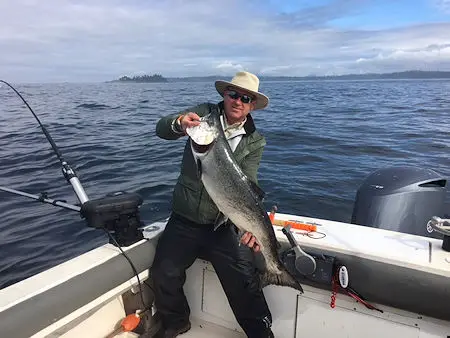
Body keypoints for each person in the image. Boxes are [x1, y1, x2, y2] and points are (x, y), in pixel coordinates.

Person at [151, 71, 273, 338]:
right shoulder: (204, 115)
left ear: (252, 105)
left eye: (246, 98)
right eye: (233, 94)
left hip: (224, 225)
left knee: (245, 283)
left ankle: (261, 334)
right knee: (163, 273)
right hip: (185, 218)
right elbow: (161, 128)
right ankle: (176, 322)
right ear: (224, 95)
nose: (238, 101)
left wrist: (251, 225)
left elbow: (248, 184)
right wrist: (179, 123)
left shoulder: (255, 140)